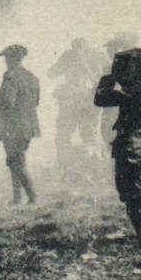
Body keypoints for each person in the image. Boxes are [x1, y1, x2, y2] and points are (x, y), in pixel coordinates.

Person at [94, 49, 141, 265]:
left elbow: (100, 98)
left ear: (135, 67)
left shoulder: (132, 89)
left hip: (132, 149)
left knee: (134, 196)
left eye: (123, 66)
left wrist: (108, 79)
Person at [49, 38, 104, 183]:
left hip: (87, 101)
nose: (78, 50)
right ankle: (68, 171)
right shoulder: (69, 56)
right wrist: (68, 62)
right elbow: (52, 73)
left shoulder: (97, 56)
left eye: (81, 48)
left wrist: (85, 66)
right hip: (70, 101)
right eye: (76, 48)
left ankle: (94, 172)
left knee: (89, 137)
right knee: (63, 137)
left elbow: (102, 80)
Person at [0, 44, 41, 205]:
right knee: (17, 159)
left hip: (12, 125)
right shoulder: (32, 77)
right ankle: (18, 197)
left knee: (15, 161)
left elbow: (8, 102)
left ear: (10, 60)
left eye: (7, 58)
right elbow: (36, 102)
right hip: (29, 124)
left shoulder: (11, 77)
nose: (6, 61)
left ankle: (31, 196)